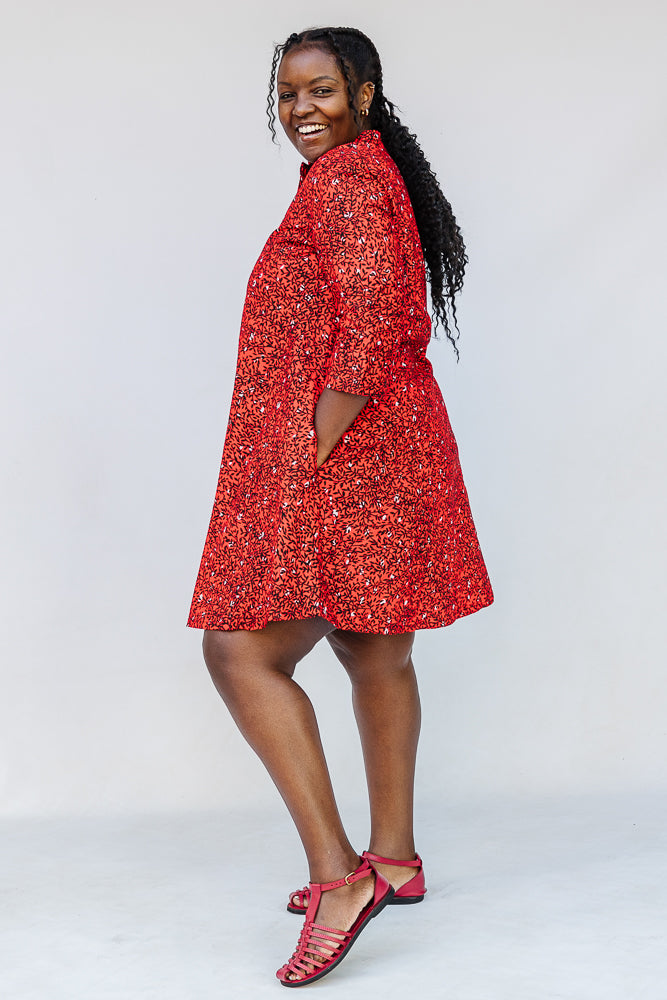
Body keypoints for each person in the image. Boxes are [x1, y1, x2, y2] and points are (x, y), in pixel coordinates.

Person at [187, 25, 493, 987]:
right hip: (388, 450)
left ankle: (338, 878)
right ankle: (392, 861)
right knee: (374, 645)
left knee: (240, 650)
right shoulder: (360, 174)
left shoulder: (351, 181)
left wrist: (303, 459)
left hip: (348, 459)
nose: (300, 110)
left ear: (362, 91)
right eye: (286, 95)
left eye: (319, 90)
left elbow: (370, 335)